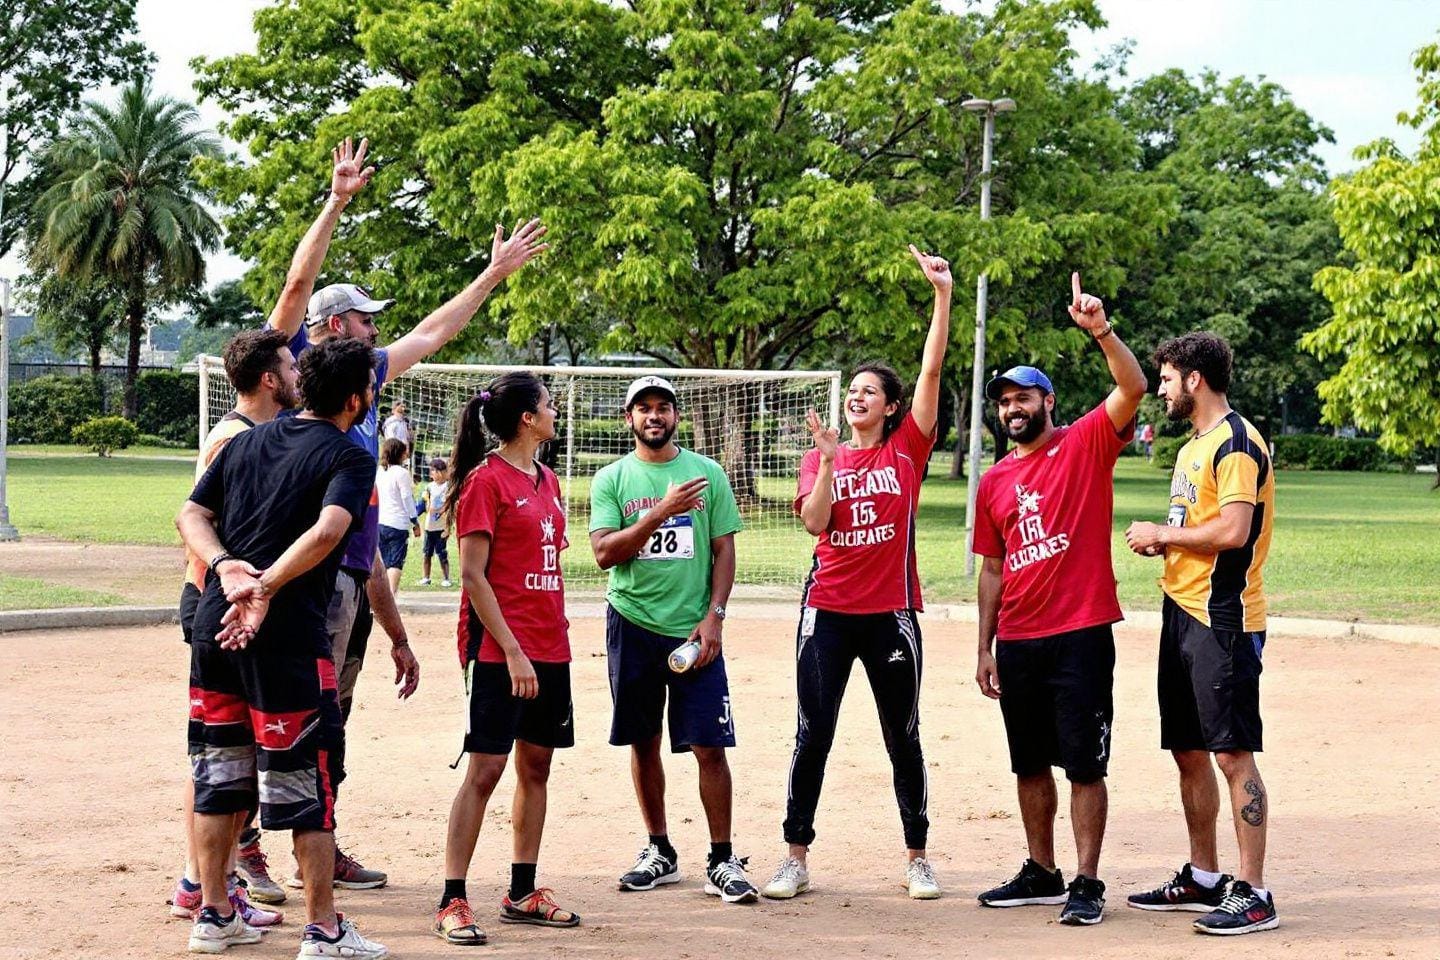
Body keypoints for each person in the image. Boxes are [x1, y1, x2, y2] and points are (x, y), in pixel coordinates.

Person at [265, 136, 545, 886]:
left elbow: (436, 329)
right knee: (288, 717)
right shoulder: (298, 375)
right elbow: (294, 288)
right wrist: (336, 202)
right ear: (330, 330)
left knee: (334, 721)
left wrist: (490, 274)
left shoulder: (370, 381)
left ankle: (315, 843)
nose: (376, 327)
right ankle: (253, 850)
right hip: (300, 580)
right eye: (362, 320)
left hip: (352, 579)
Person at [176, 337, 388, 959]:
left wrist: (226, 569)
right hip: (285, 636)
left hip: (217, 625)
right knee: (304, 784)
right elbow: (328, 532)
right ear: (357, 398)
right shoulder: (349, 456)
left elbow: (191, 514)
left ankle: (214, 915)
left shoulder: (244, 441)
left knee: (220, 775)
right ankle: (323, 929)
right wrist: (261, 585)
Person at [762, 245, 951, 901]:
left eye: (869, 391)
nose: (856, 397)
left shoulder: (909, 447)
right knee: (813, 732)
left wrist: (942, 296)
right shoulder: (826, 457)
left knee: (903, 734)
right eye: (852, 392)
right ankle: (794, 857)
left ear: (893, 407)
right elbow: (815, 525)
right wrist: (827, 462)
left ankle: (918, 857)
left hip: (890, 613)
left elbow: (931, 370)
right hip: (829, 612)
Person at [969, 273, 1147, 926]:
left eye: (1024, 397)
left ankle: (1088, 881)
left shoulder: (1085, 444)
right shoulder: (993, 481)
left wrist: (1099, 329)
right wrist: (984, 646)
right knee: (1027, 763)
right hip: (1017, 640)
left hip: (1080, 631)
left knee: (1083, 764)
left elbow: (1133, 387)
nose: (1013, 408)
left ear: (1048, 401)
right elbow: (992, 570)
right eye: (1004, 401)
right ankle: (1041, 869)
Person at [1123, 332, 1278, 936]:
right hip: (1180, 610)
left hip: (1225, 619)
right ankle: (1204, 876)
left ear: (1194, 380)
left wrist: (1162, 535)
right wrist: (1171, 540)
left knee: (1231, 753)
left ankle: (1255, 891)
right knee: (1188, 749)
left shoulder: (1236, 442)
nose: (1159, 387)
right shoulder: (1195, 444)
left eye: (1166, 377)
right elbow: (1202, 523)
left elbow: (1235, 529)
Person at [589, 374, 758, 905]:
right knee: (643, 740)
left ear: (676, 417)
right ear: (629, 419)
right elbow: (604, 554)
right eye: (644, 408)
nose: (654, 416)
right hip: (633, 623)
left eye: (663, 407)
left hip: (695, 630)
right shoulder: (611, 479)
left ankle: (722, 858)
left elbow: (725, 552)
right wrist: (659, 512)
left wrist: (715, 617)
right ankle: (659, 849)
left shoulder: (706, 474)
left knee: (711, 744)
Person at [432, 373, 580, 945]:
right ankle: (452, 898)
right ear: (525, 418)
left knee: (536, 768)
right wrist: (513, 651)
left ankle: (522, 891)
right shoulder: (484, 482)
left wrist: (544, 644)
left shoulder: (547, 479)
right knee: (486, 770)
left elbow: (547, 567)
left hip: (551, 647)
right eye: (546, 403)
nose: (553, 411)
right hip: (502, 652)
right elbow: (472, 576)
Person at [169, 329, 299, 921]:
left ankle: (209, 883)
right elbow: (195, 518)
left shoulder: (262, 434)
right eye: (291, 366)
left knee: (230, 752)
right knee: (220, 753)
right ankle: (203, 883)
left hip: (236, 597)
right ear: (270, 378)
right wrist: (228, 574)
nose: (299, 374)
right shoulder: (233, 438)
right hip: (220, 601)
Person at [376, 437, 420, 594]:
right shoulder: (402, 473)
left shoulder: (380, 471)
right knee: (395, 563)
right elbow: (407, 498)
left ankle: (377, 598)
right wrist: (415, 521)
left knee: (380, 562)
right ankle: (390, 597)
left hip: (380, 521)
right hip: (398, 523)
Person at [417, 457, 453, 587]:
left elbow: (450, 507)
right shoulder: (429, 487)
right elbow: (422, 504)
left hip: (442, 527)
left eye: (434, 471)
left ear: (442, 472)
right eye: (431, 471)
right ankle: (426, 577)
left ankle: (446, 578)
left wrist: (448, 527)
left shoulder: (448, 487)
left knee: (442, 553)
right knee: (427, 553)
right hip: (429, 527)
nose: (432, 473)